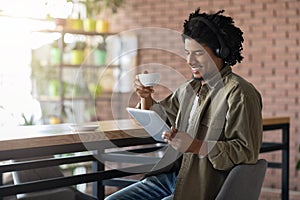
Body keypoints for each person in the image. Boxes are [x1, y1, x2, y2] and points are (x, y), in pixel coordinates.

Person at [105, 7, 263, 200]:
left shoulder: (239, 92)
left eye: (198, 53)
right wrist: (145, 97)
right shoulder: (188, 89)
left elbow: (246, 152)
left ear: (220, 52)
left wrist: (197, 146)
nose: (189, 60)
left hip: (204, 185)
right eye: (187, 52)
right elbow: (160, 116)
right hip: (173, 177)